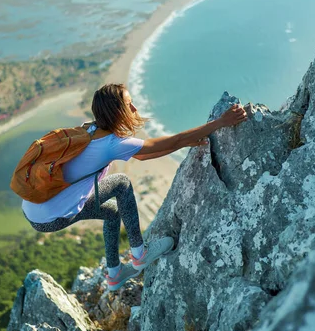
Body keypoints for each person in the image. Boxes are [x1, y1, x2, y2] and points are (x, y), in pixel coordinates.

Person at [22, 83, 247, 291]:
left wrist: (185, 141)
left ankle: (114, 275)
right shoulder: (110, 145)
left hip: (36, 212)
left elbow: (143, 156)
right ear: (116, 112)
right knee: (122, 183)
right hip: (52, 216)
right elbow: (172, 141)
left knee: (112, 212)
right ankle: (140, 253)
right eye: (129, 104)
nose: (134, 107)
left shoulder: (87, 130)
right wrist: (220, 122)